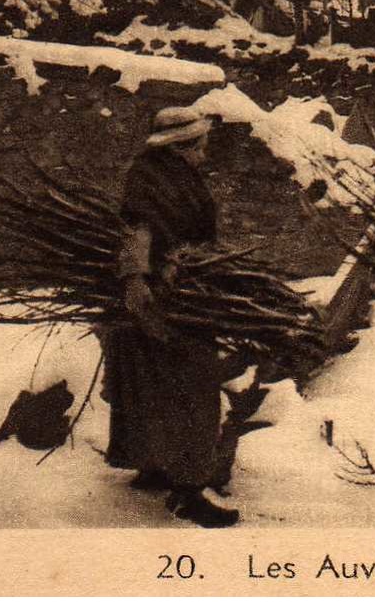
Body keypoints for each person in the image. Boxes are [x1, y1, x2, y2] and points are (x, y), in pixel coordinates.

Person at [101, 106, 241, 528]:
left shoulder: (170, 174)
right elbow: (136, 230)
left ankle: (155, 466)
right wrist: (136, 282)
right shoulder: (151, 179)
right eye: (200, 146)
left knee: (153, 386)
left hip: (179, 291)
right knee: (194, 389)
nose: (205, 154)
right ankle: (187, 491)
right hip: (165, 298)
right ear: (181, 147)